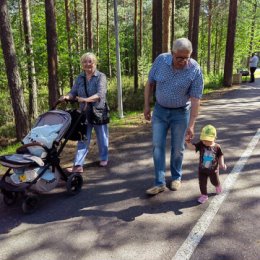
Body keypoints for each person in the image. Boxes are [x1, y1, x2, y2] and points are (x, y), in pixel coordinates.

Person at [144, 38, 204, 195]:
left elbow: (196, 99)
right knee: (157, 146)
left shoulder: (195, 69)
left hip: (181, 113)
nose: (184, 61)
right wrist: (146, 105)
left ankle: (176, 177)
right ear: (172, 53)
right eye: (180, 58)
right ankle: (159, 182)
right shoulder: (161, 61)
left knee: (178, 148)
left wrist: (191, 124)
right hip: (159, 111)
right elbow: (150, 83)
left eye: (187, 57)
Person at [59, 52, 109, 172]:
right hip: (83, 113)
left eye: (90, 61)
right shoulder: (80, 78)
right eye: (85, 62)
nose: (87, 64)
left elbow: (100, 94)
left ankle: (104, 157)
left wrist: (86, 99)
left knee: (102, 136)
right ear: (82, 64)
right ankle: (78, 165)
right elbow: (74, 92)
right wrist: (67, 97)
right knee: (83, 138)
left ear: (95, 63)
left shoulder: (101, 76)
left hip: (98, 111)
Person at [185, 125, 227, 204]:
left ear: (214, 138)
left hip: (213, 170)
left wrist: (222, 164)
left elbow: (220, 155)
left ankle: (217, 185)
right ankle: (204, 195)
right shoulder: (201, 144)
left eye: (208, 140)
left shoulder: (217, 147)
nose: (205, 142)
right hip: (202, 170)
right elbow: (192, 147)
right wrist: (188, 142)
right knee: (202, 183)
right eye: (204, 140)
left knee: (214, 181)